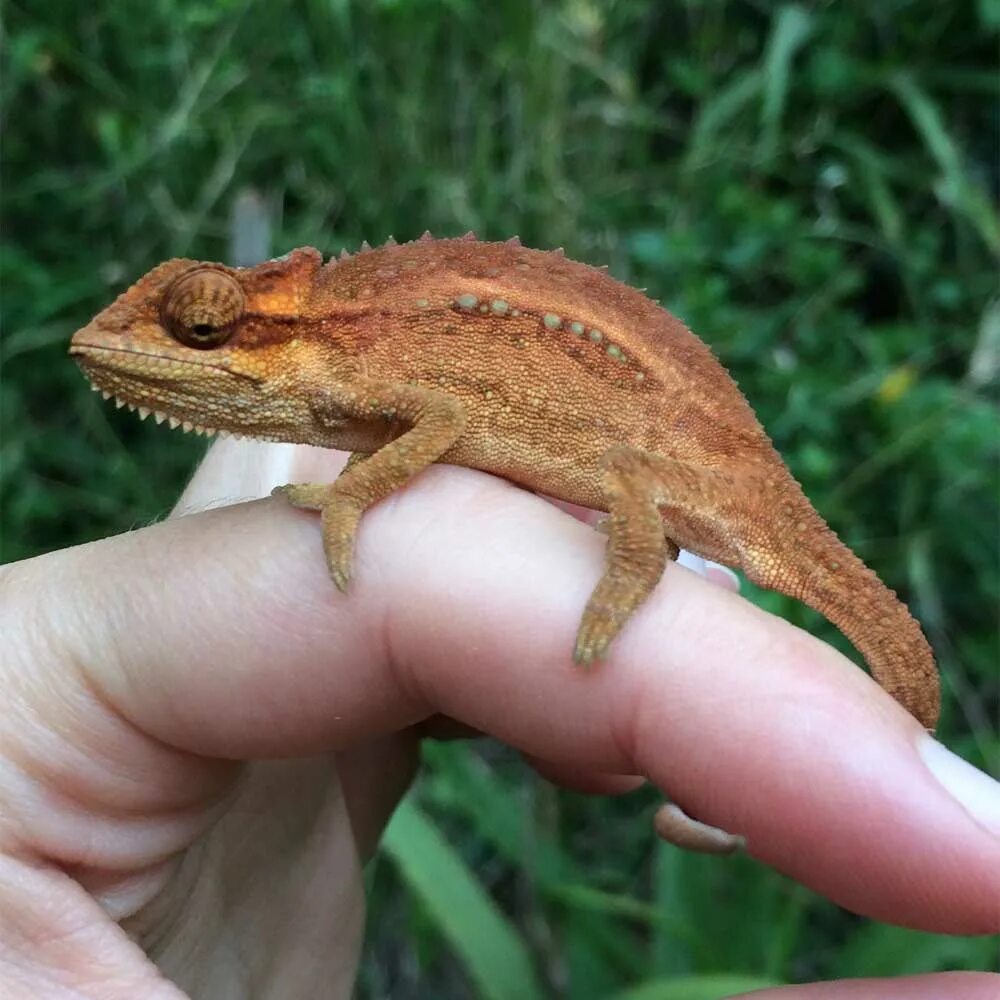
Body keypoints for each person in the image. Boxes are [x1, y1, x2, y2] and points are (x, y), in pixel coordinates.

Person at [1, 439, 997, 999]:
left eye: (208, 325)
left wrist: (355, 494)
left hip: (665, 448)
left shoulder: (375, 353)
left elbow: (434, 413)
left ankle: (640, 569)